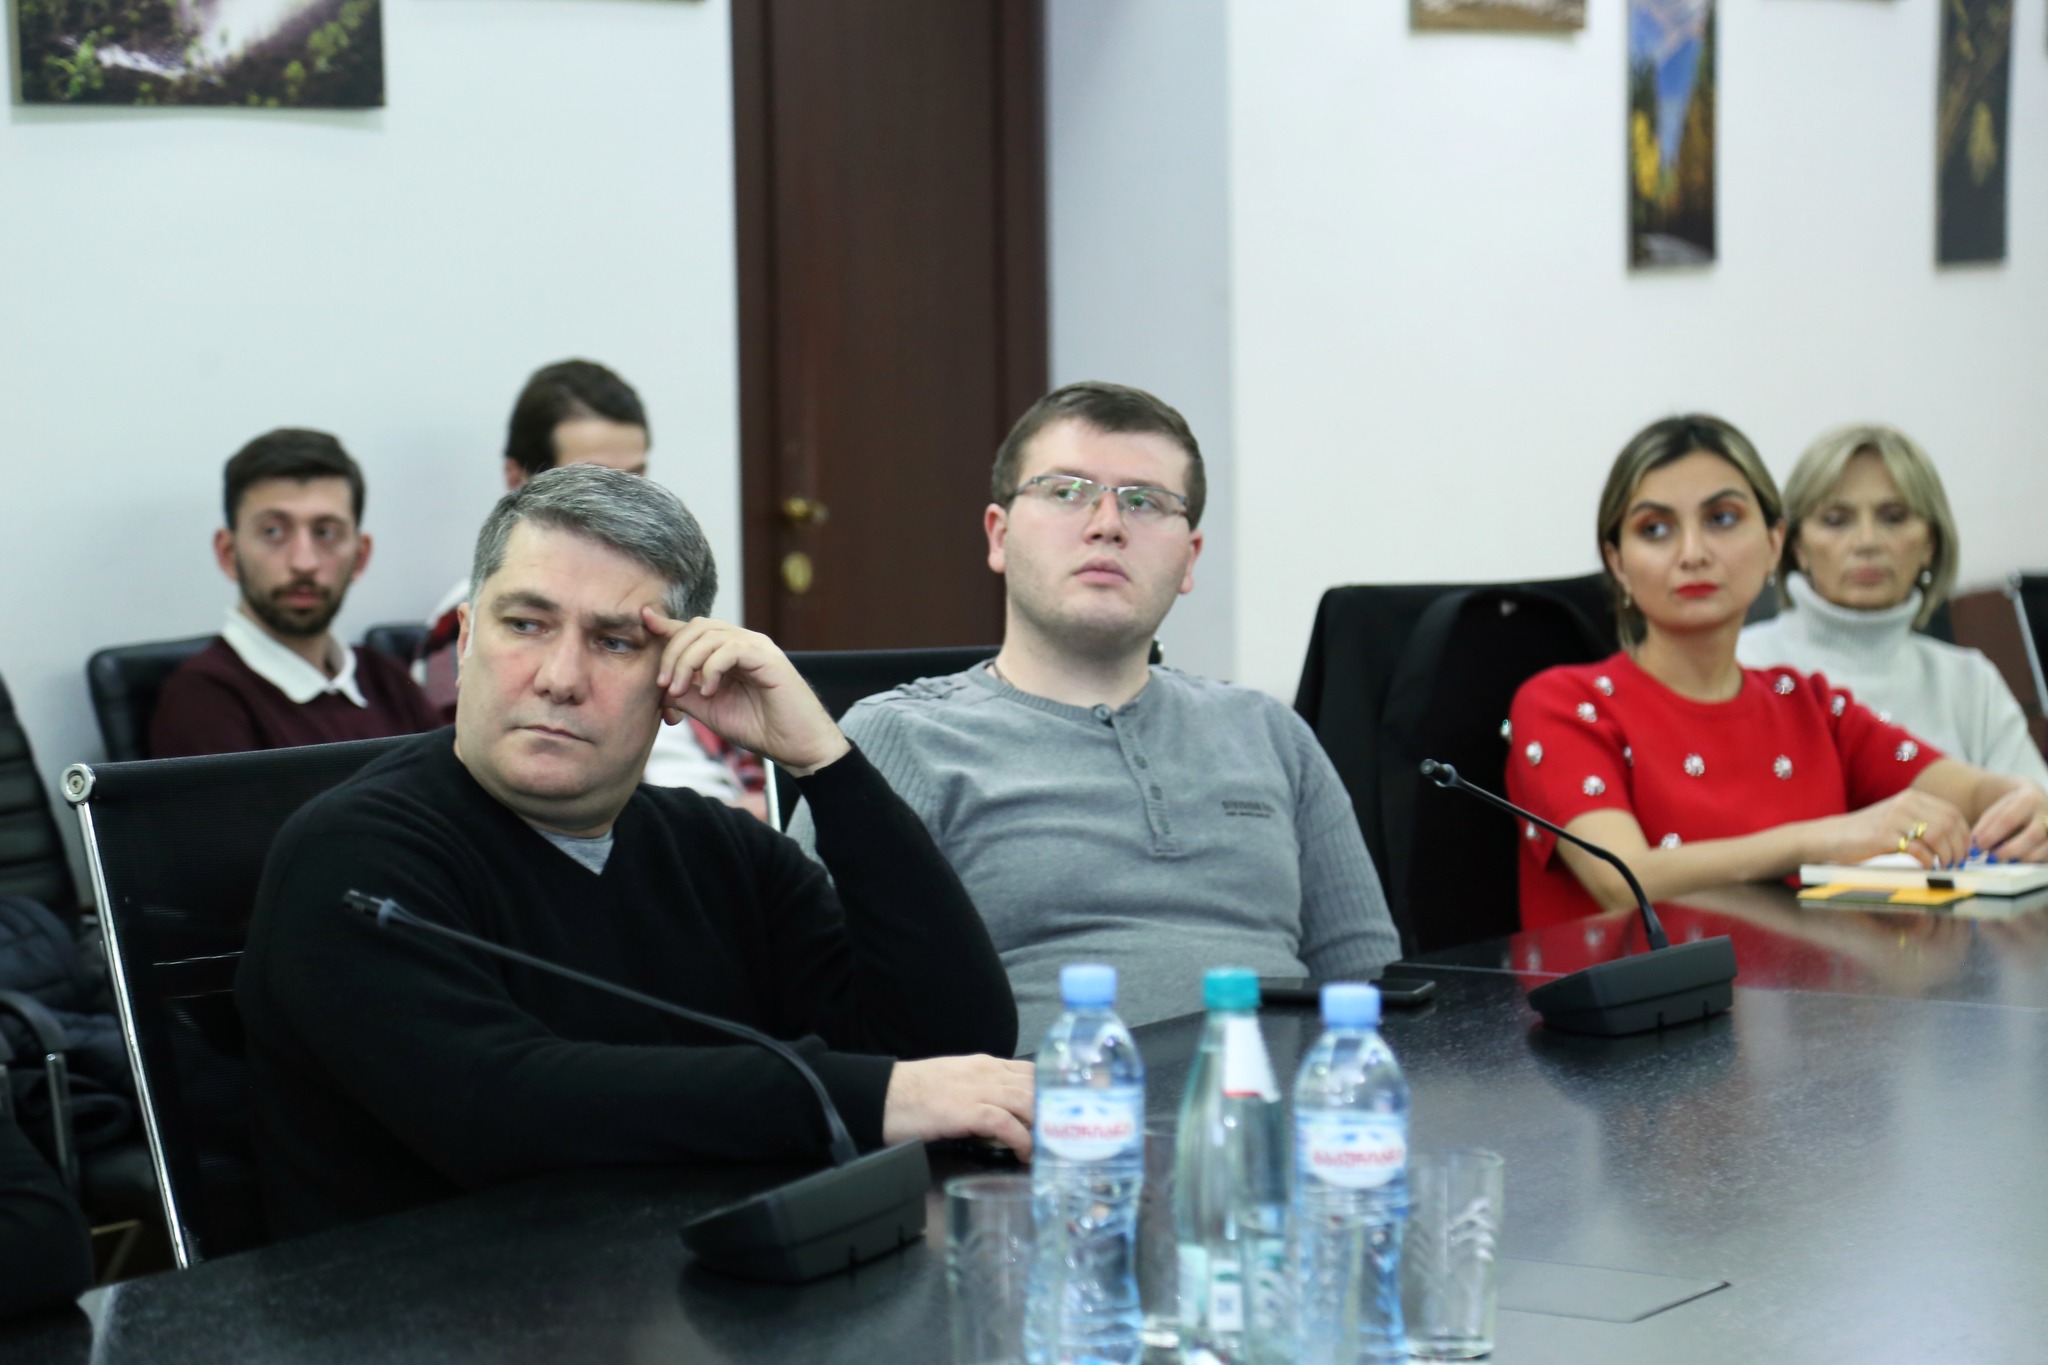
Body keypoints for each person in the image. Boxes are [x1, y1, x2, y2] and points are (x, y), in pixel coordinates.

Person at [237, 464, 1030, 1239]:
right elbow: (498, 1106)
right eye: (525, 624)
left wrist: (825, 761)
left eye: (615, 641)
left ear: (676, 681)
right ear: (469, 637)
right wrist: (866, 1095)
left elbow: (956, 1043)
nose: (560, 677)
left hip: (709, 1280)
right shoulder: (352, 853)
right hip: (427, 1300)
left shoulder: (721, 851)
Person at [789, 382, 1399, 1045]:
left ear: (1189, 558)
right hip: (1037, 1104)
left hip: (1277, 1100)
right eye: (1065, 491)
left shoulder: (1270, 732)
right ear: (999, 536)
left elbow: (1372, 985)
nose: (1107, 524)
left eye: (1146, 501)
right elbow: (812, 1005)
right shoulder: (898, 738)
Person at [1507, 414, 2048, 932]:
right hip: (1633, 997)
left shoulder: (1810, 704)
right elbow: (1621, 879)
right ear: (1617, 562)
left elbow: (1980, 792)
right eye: (1655, 529)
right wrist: (1822, 840)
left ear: (1773, 544)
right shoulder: (1563, 703)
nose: (1693, 553)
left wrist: (2027, 801)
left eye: (1722, 519)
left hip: (1821, 996)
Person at [418, 359, 764, 815]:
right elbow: (519, 773)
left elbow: (747, 758)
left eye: (634, 476)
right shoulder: (476, 613)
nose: (621, 501)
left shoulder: (662, 603)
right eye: (593, 477)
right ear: (517, 479)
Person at [1738, 423, 2048, 786]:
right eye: (1836, 520)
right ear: (1796, 546)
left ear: (1930, 542)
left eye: (1894, 517)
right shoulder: (1740, 665)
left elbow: (2036, 810)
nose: (1867, 541)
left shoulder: (1969, 682)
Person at [150, 430, 441, 758]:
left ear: (360, 557)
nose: (304, 563)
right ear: (228, 554)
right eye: (273, 532)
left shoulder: (388, 679)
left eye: (325, 533)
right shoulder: (203, 701)